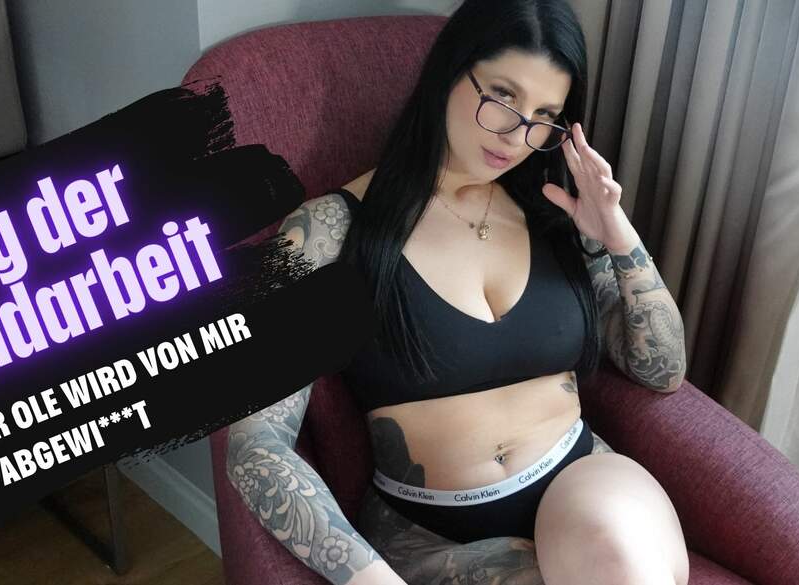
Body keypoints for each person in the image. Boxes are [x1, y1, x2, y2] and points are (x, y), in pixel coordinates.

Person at [225, 1, 690, 584]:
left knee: (616, 558)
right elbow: (255, 445)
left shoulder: (556, 215)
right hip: (431, 538)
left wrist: (619, 237)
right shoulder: (329, 233)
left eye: (543, 116)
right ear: (450, 72)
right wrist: (369, 578)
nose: (516, 136)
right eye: (502, 97)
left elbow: (662, 370)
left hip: (585, 490)